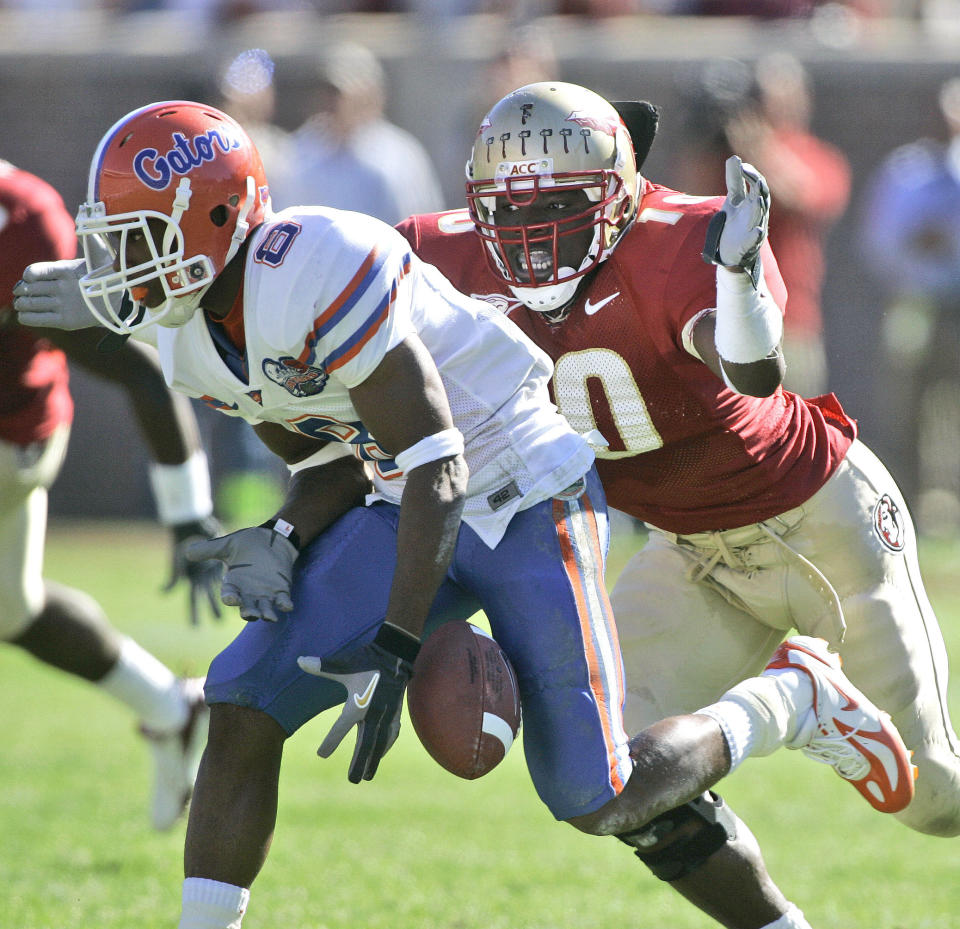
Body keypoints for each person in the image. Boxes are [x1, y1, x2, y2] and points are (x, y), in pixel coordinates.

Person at [14, 99, 913, 929]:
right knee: (242, 693)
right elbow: (331, 459)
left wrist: (400, 644)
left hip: (525, 493)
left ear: (218, 221)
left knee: (594, 792)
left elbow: (437, 463)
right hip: (405, 496)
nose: (125, 265)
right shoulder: (187, 342)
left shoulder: (314, 261)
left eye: (141, 240)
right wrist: (283, 534)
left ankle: (790, 698)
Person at [394, 81, 960, 928]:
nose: (532, 232)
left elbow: (753, 370)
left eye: (560, 203)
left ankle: (802, 698)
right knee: (610, 773)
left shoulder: (685, 235)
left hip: (819, 525)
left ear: (620, 193)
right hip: (690, 554)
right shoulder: (440, 254)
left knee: (933, 798)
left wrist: (738, 284)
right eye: (508, 209)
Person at [0, 158, 212, 831]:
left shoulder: (22, 224)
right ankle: (171, 708)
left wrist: (186, 514)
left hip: (12, 439)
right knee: (14, 605)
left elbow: (137, 372)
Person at [673, 54, 851, 398]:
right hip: (718, 321)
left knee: (791, 437)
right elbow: (689, 204)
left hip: (789, 322)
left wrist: (755, 146)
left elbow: (799, 196)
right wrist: (708, 141)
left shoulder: (815, 155)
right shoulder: (723, 157)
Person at [858, 75, 960, 535]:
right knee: (910, 408)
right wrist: (922, 242)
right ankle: (914, 511)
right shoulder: (907, 171)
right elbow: (880, 241)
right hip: (920, 301)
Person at [269, 40, 444, 221]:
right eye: (327, 92)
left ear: (371, 94)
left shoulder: (398, 157)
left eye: (339, 93)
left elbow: (415, 229)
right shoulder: (299, 149)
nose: (332, 101)